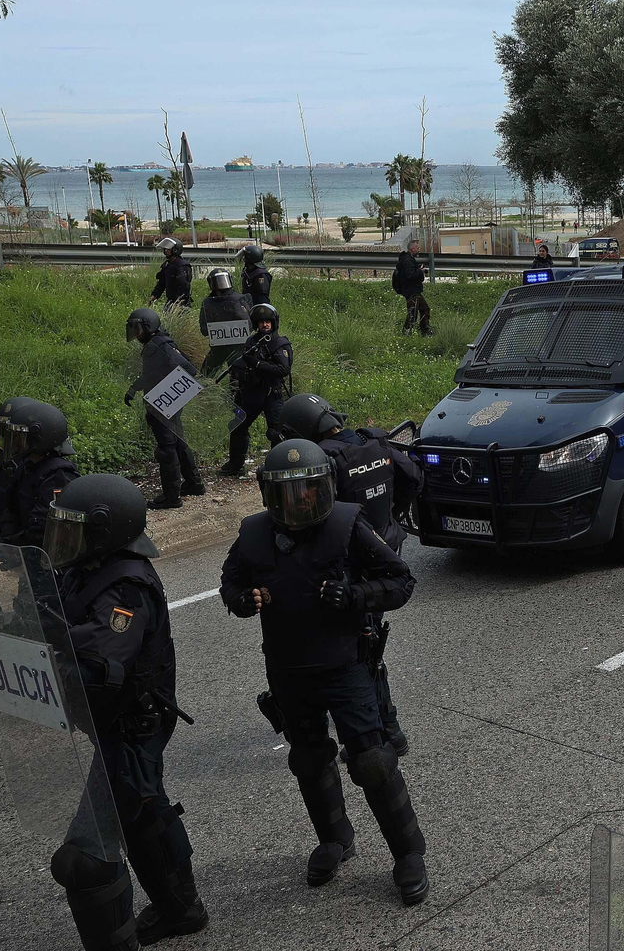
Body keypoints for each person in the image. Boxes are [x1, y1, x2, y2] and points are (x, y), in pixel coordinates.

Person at [221, 440, 427, 901]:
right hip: (288, 669)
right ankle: (335, 840)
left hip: (345, 666)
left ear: (325, 489)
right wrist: (241, 600)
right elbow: (230, 581)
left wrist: (354, 595)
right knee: (309, 759)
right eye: (286, 495)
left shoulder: (347, 524)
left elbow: (401, 580)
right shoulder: (254, 533)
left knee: (372, 760)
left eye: (307, 492)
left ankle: (408, 854)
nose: (297, 504)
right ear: (268, 495)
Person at [40, 474, 208, 948]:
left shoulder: (126, 587)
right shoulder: (85, 567)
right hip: (107, 718)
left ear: (104, 533)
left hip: (134, 722)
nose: (63, 540)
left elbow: (102, 657)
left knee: (84, 860)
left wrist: (50, 636)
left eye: (73, 530)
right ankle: (182, 910)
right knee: (142, 811)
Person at [279, 393, 421, 754]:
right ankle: (380, 725)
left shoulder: (324, 460)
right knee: (367, 641)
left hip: (352, 564)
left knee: (363, 646)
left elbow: (311, 516)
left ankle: (386, 729)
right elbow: (413, 476)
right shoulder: (375, 441)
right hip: (387, 550)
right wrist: (390, 519)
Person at [123, 309, 205, 510]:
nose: (136, 333)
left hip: (164, 403)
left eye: (138, 328)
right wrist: (135, 388)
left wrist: (171, 394)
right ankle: (194, 484)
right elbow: (153, 372)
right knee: (179, 442)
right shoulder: (158, 342)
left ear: (149, 327)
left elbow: (188, 370)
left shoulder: (160, 345)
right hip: (166, 402)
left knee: (167, 448)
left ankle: (172, 497)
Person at [0, 400, 80, 548]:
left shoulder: (58, 475)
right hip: (24, 547)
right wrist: (6, 535)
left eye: (20, 437)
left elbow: (43, 526)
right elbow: (10, 507)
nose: (16, 442)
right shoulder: (27, 465)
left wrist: (14, 541)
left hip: (43, 553)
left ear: (38, 439)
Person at [221, 303, 292, 477]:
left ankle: (280, 466)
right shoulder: (251, 342)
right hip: (251, 392)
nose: (265, 325)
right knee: (237, 426)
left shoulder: (279, 343)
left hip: (271, 393)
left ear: (273, 323)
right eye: (261, 322)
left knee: (277, 432)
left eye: (268, 321)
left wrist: (258, 364)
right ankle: (235, 464)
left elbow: (283, 370)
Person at [198, 268, 252, 375]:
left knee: (237, 377)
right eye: (217, 281)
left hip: (236, 347)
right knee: (204, 375)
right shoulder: (208, 303)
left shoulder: (239, 300)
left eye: (223, 280)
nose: (221, 285)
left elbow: (249, 325)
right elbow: (204, 329)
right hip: (220, 347)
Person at [392, 239, 431, 336]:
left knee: (423, 309)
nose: (419, 249)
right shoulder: (408, 261)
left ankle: (424, 331)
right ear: (412, 249)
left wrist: (418, 268)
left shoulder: (407, 259)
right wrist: (420, 271)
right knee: (414, 312)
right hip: (411, 290)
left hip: (411, 290)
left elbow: (409, 272)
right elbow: (410, 275)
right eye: (417, 248)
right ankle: (407, 333)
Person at [148, 237, 193, 308]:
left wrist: (178, 302)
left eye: (168, 249)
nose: (166, 251)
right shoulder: (167, 265)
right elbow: (162, 283)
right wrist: (154, 295)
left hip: (182, 303)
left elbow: (184, 287)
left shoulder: (182, 266)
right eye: (165, 249)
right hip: (170, 301)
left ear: (175, 250)